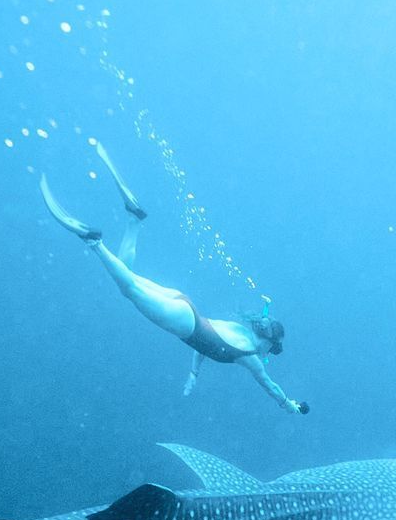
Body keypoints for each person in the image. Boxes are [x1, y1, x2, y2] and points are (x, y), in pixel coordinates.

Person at [41, 143, 308, 414]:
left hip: (185, 306)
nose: (267, 354)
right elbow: (269, 385)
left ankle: (134, 219)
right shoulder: (251, 357)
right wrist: (289, 405)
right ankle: (93, 240)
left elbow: (207, 345)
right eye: (271, 350)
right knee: (129, 288)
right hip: (184, 323)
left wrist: (194, 373)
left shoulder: (239, 330)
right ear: (268, 342)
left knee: (128, 278)